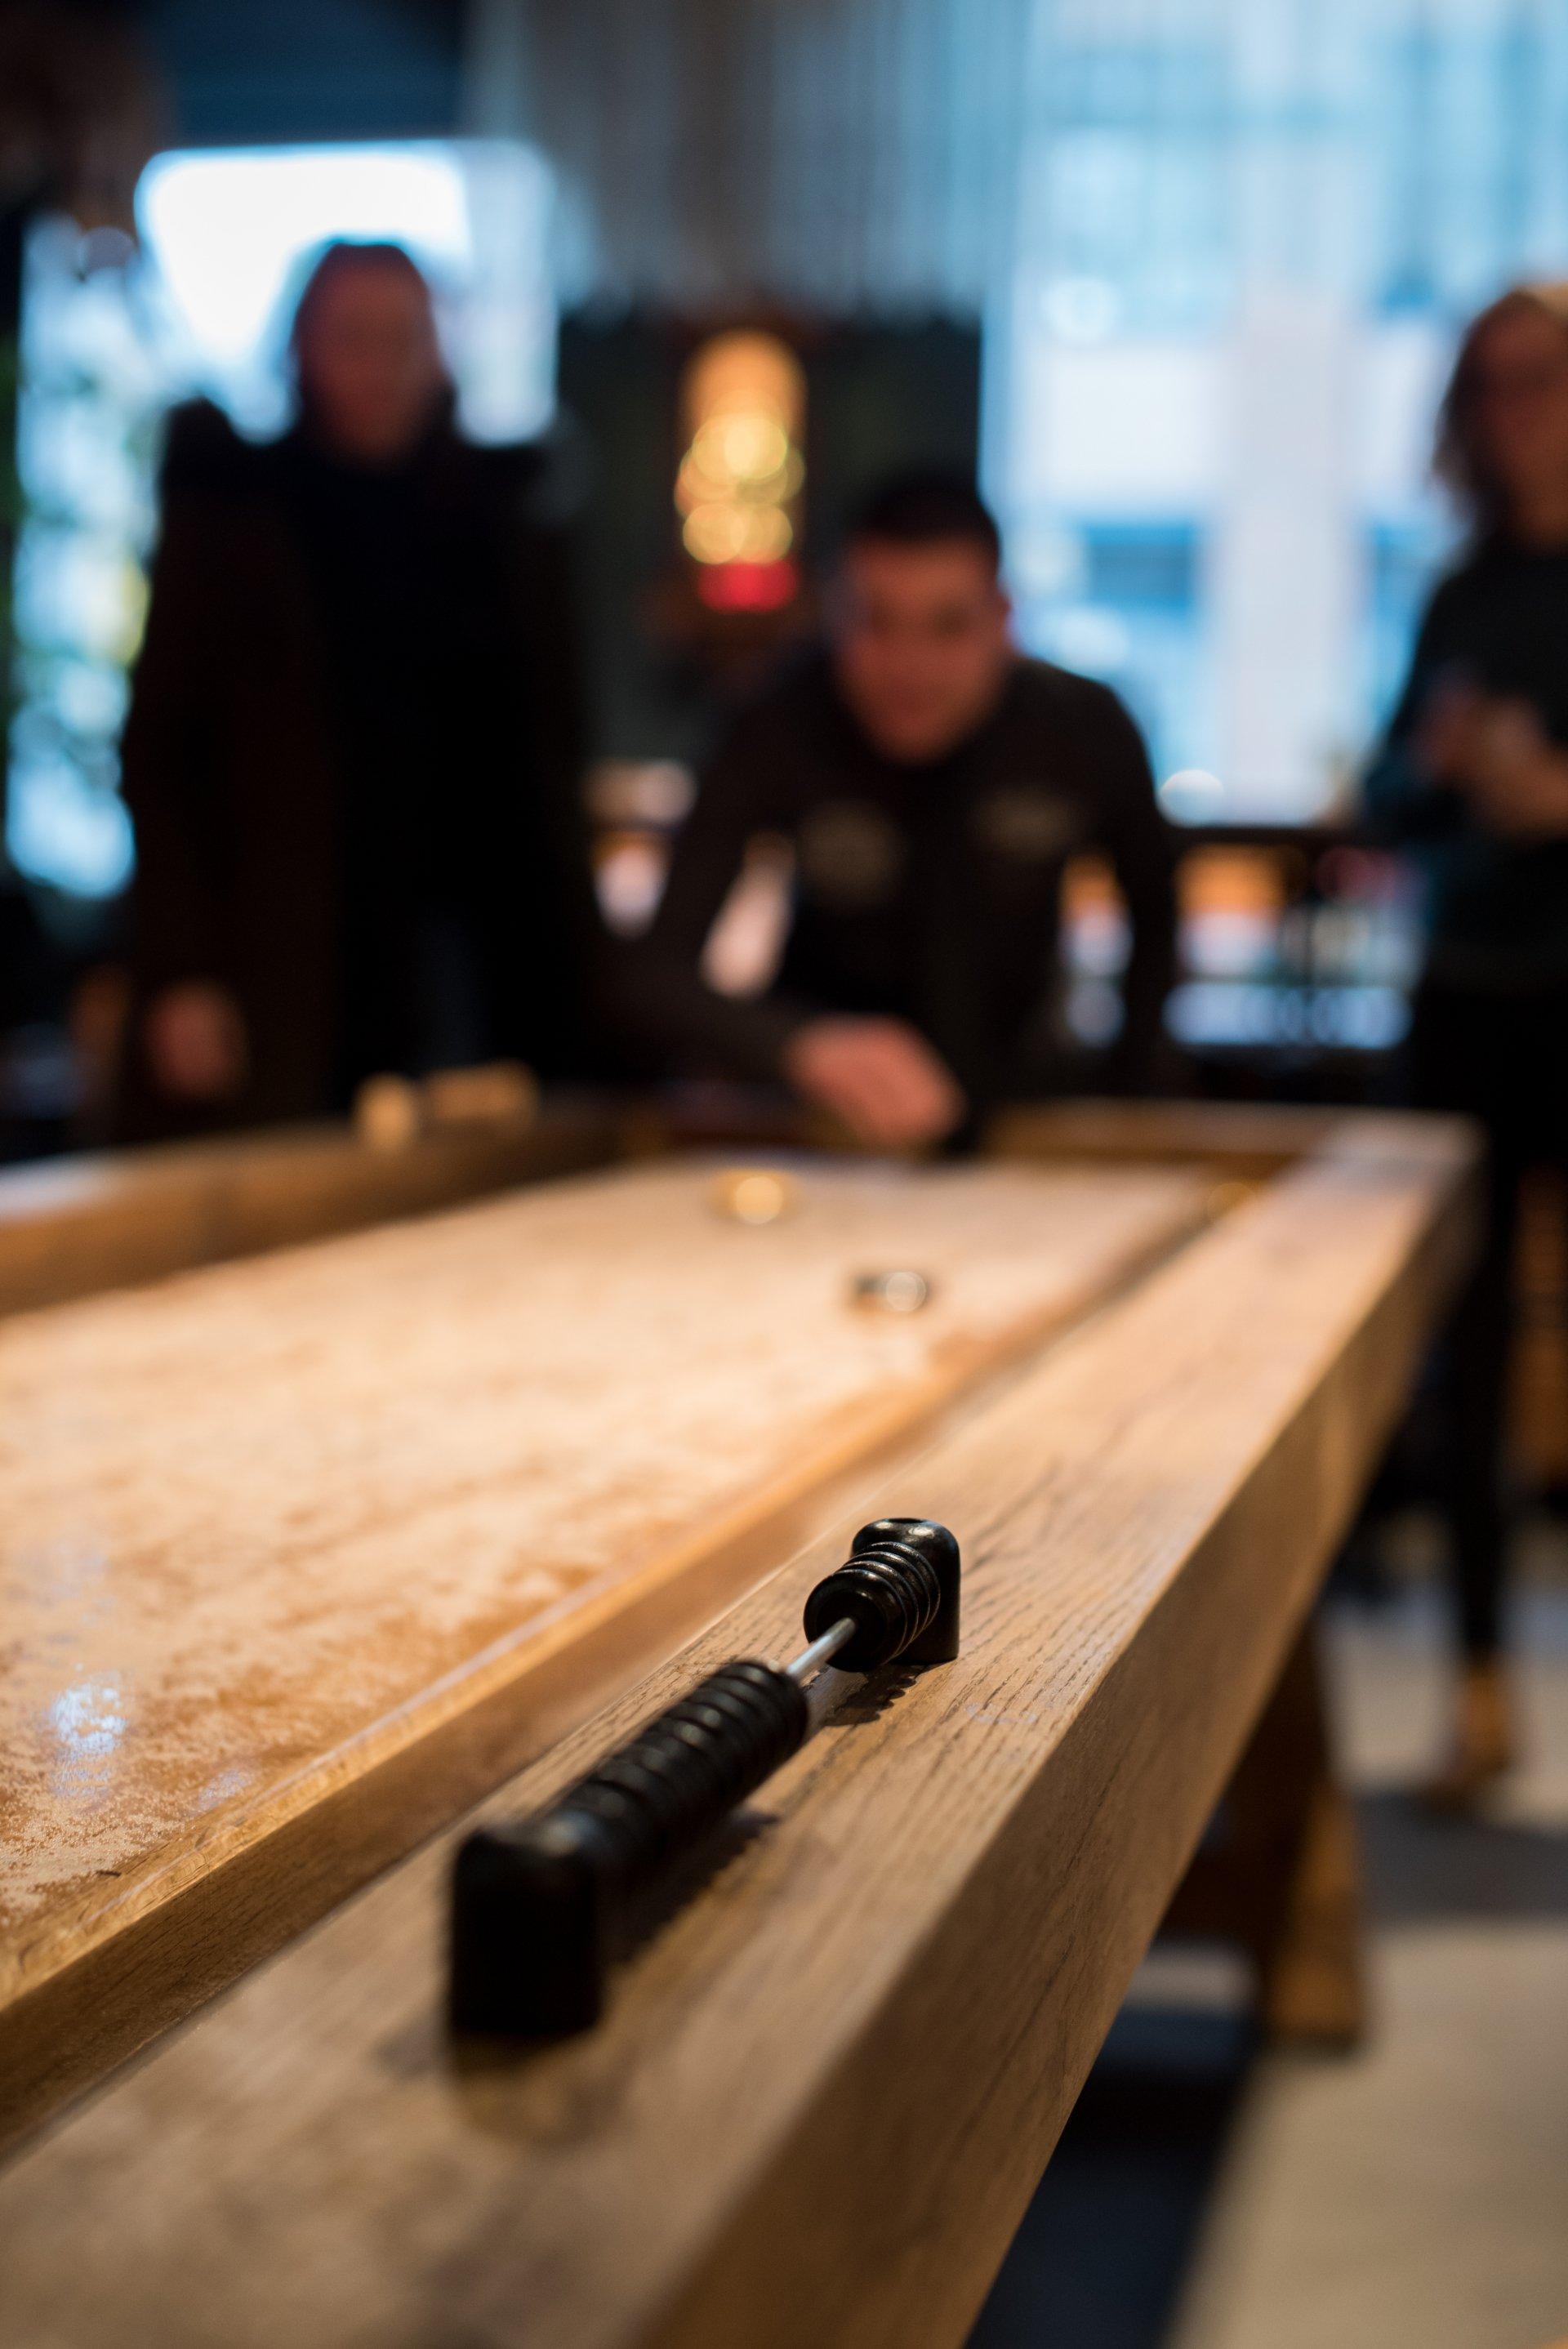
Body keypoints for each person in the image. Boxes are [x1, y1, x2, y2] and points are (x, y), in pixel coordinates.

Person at [119, 240, 602, 1134]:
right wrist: (181, 967)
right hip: (292, 950)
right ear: (301, 347)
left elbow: (550, 761)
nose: (382, 366)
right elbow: (159, 754)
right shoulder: (234, 519)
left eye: (404, 337)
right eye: (353, 337)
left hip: (470, 954)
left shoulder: (505, 520)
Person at [636, 473, 1177, 1147]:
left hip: (1021, 1115)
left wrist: (1116, 1103)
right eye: (876, 621)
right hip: (819, 1123)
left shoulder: (1085, 727)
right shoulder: (773, 723)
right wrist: (798, 1045)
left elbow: (1159, 930)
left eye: (947, 626)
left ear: (1003, 620)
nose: (909, 665)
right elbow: (655, 974)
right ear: (835, 614)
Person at [1364, 282, 1568, 1803]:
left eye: (1539, 379)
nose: (1512, 412)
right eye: (1488, 386)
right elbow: (1387, 802)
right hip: (1471, 997)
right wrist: (1447, 776)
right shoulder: (1464, 590)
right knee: (1470, 1347)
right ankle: (1481, 1697)